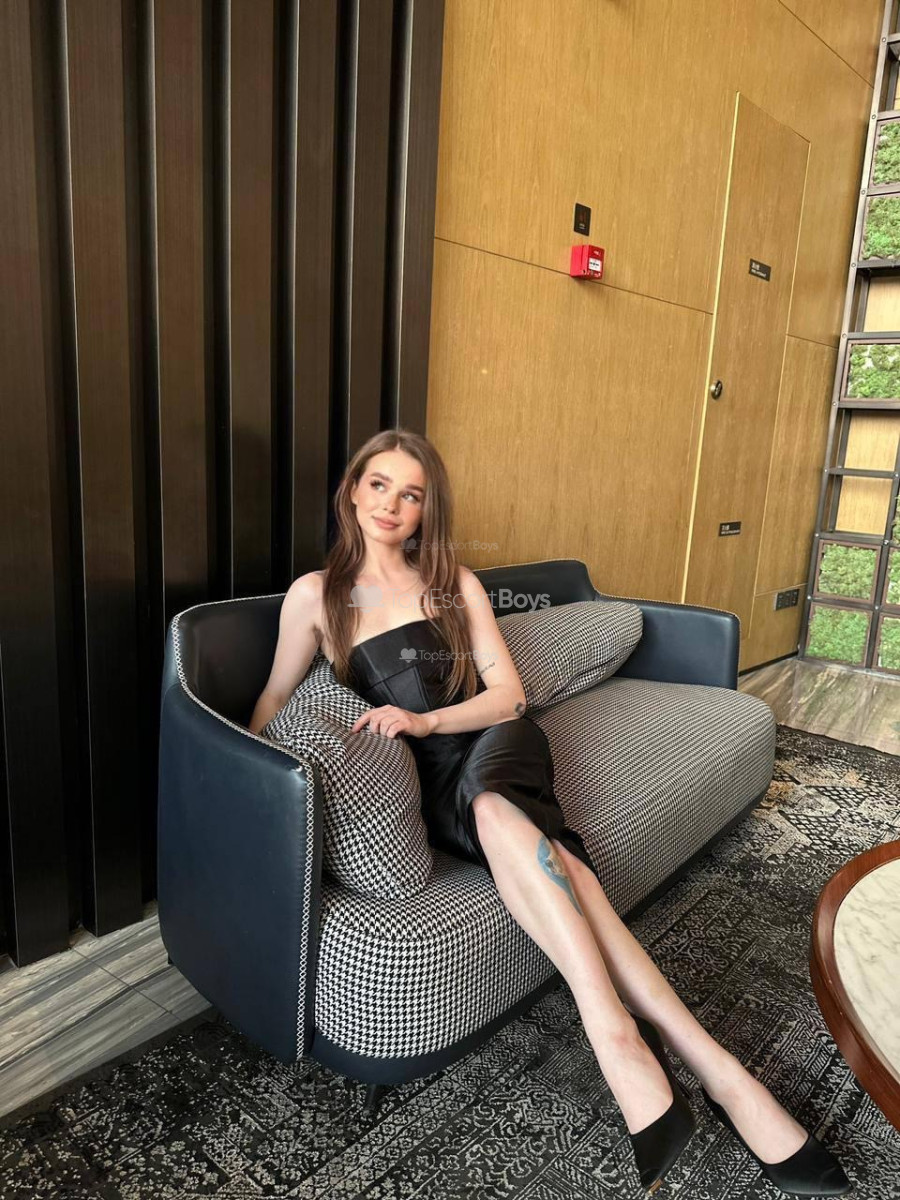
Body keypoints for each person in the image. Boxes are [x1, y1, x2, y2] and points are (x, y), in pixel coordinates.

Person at [250, 428, 850, 1197]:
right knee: (556, 859)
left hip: (493, 743)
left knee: (497, 808)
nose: (391, 505)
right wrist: (251, 784)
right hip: (431, 787)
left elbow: (510, 698)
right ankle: (723, 1075)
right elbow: (274, 698)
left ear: (427, 510)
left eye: (411, 494)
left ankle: (617, 1041)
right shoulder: (316, 597)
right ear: (352, 489)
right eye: (379, 485)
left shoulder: (454, 585)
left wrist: (427, 720)